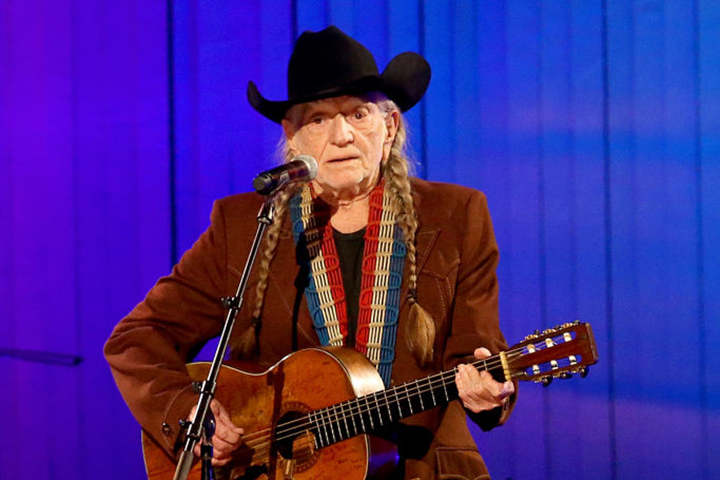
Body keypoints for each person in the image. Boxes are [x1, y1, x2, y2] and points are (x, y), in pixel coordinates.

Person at [105, 25, 516, 479]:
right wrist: (189, 415)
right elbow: (138, 338)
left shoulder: (457, 214)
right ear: (292, 136)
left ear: (389, 126)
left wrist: (486, 387)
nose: (341, 135)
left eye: (358, 114)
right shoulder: (241, 226)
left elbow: (477, 350)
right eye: (318, 120)